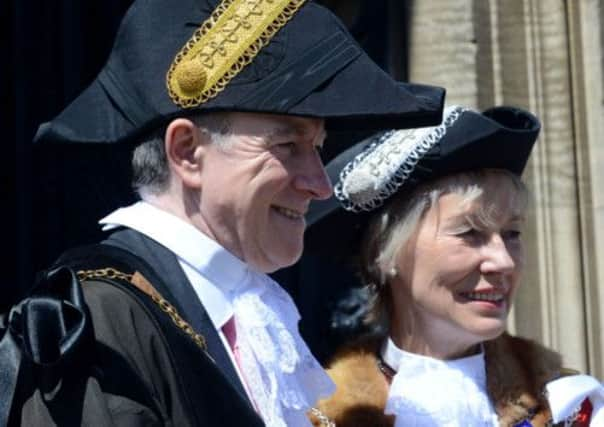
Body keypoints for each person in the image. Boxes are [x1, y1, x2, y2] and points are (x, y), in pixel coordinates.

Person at [0, 0, 446, 426]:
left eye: (319, 148)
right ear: (188, 152)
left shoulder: (253, 313)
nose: (319, 184)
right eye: (287, 146)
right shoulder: (93, 321)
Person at [306, 105, 603, 427]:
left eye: (512, 234)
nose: (502, 261)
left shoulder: (568, 407)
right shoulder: (319, 415)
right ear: (385, 251)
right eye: (469, 233)